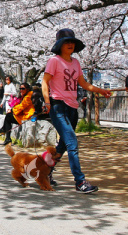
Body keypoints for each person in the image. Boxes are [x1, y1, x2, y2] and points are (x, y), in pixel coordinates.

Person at [41, 28, 112, 194]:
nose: (70, 44)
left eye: (72, 42)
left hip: (73, 107)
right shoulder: (54, 61)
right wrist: (47, 101)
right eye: (66, 42)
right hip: (58, 105)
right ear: (59, 45)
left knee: (63, 146)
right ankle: (80, 181)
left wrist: (101, 91)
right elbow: (45, 82)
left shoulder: (76, 63)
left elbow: (83, 83)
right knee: (72, 142)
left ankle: (46, 171)